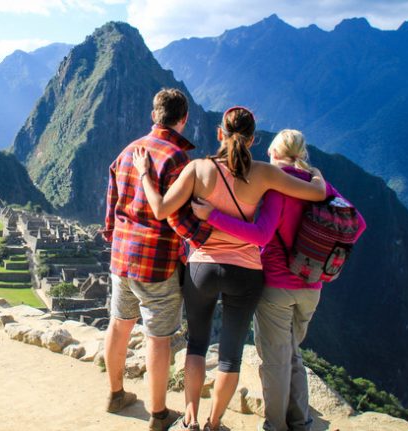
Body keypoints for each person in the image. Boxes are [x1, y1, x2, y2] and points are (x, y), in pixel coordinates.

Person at [132, 107, 327, 431]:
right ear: (252, 139)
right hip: (246, 273)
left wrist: (144, 174)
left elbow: (161, 208)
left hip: (203, 268)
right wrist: (317, 173)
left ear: (219, 133)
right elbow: (316, 192)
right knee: (230, 355)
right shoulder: (264, 173)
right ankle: (214, 422)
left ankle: (191, 420)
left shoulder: (198, 169)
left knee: (196, 345)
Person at [190, 129, 366, 431]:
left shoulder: (275, 185)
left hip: (278, 287)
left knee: (275, 361)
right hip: (312, 286)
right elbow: (358, 223)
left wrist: (212, 217)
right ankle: (300, 422)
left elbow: (261, 234)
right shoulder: (319, 185)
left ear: (273, 153)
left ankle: (275, 426)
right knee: (292, 353)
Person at [101, 88, 212, 431]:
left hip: (122, 257)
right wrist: (205, 233)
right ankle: (158, 414)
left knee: (119, 324)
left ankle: (116, 393)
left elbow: (111, 209)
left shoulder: (126, 153)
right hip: (158, 264)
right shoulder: (179, 159)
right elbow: (180, 217)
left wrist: (116, 238)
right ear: (184, 119)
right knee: (157, 337)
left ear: (154, 115)